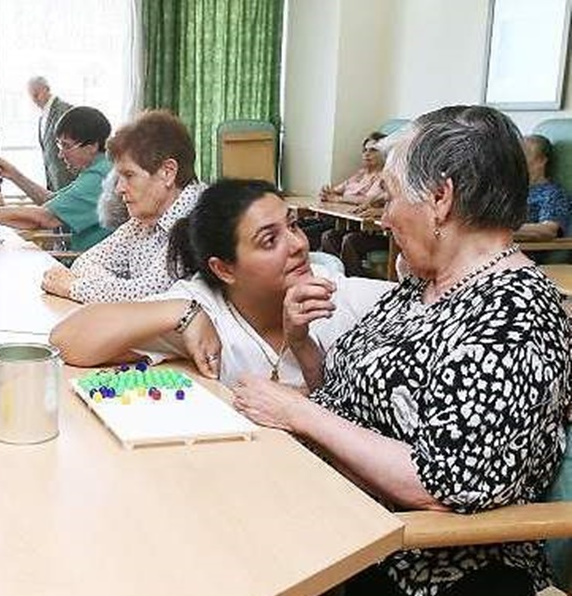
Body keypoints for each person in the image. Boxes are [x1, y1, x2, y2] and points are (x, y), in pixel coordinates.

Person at [231, 106, 572, 596]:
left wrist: (300, 414)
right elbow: (353, 396)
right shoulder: (425, 285)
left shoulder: (514, 316)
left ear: (440, 198)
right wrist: (301, 342)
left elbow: (441, 483)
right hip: (344, 518)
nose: (383, 216)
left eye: (389, 197)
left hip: (425, 569)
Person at [50, 179, 391, 386]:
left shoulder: (331, 292)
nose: (299, 245)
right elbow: (67, 341)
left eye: (294, 226)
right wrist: (185, 313)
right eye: (270, 240)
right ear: (225, 269)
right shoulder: (206, 306)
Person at [40, 110, 205, 303]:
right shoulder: (144, 219)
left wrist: (74, 287)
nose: (118, 189)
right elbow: (84, 263)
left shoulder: (200, 220)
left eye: (129, 175)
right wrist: (116, 290)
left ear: (167, 172)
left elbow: (149, 298)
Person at [0, 106, 115, 252]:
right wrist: (15, 175)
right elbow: (51, 201)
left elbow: (45, 218)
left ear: (92, 146)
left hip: (86, 269)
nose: (60, 154)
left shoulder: (100, 178)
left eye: (67, 146)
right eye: (59, 145)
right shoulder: (98, 170)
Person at [319, 132, 390, 276]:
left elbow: (368, 200)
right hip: (354, 223)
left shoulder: (385, 177)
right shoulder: (360, 174)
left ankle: (352, 280)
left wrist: (338, 199)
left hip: (380, 232)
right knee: (329, 236)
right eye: (365, 150)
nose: (367, 154)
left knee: (349, 240)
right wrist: (327, 192)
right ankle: (336, 276)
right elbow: (334, 191)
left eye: (373, 150)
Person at [515, 134, 571, 242]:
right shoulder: (508, 191)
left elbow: (548, 230)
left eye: (524, 154)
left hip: (517, 252)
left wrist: (502, 230)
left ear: (541, 161)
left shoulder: (552, 194)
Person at [28, 76, 75, 194]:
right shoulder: (42, 116)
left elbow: (72, 146)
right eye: (32, 96)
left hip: (67, 178)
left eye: (36, 94)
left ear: (47, 89)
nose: (34, 100)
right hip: (54, 180)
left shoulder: (64, 110)